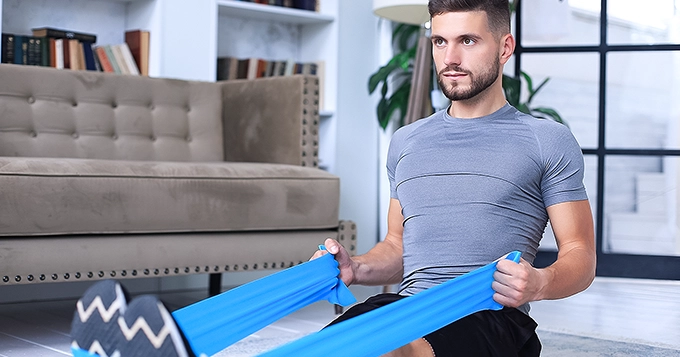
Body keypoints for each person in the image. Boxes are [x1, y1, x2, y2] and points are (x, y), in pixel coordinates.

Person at [311, 0, 596, 356]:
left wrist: (540, 282)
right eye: (440, 42)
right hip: (407, 307)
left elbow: (580, 254)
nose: (450, 59)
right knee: (323, 348)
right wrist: (356, 267)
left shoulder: (547, 140)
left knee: (384, 350)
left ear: (505, 47)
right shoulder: (406, 141)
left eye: (468, 41)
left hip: (488, 316)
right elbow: (398, 247)